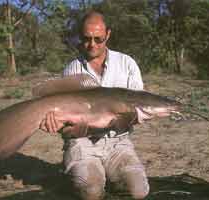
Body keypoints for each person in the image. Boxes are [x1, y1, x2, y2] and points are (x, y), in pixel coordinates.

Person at [40, 11, 150, 200]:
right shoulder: (72, 69)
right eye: (86, 39)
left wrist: (126, 118)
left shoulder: (127, 63)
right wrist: (58, 127)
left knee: (138, 191)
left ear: (108, 34)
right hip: (82, 142)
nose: (91, 45)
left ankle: (106, 172)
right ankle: (81, 172)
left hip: (119, 142)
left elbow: (137, 111)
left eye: (98, 39)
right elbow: (67, 129)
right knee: (90, 190)